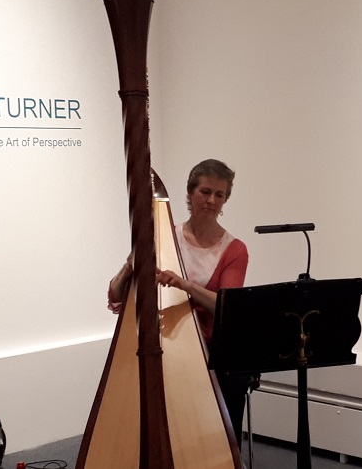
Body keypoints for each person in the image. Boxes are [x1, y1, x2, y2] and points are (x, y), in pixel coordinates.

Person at [105, 158, 252, 441]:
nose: (211, 200)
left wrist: (185, 285)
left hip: (209, 348)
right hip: (162, 340)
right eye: (205, 192)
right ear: (190, 192)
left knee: (229, 386)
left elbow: (226, 307)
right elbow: (115, 296)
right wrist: (128, 266)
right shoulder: (162, 236)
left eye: (219, 195)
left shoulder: (234, 250)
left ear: (225, 200)